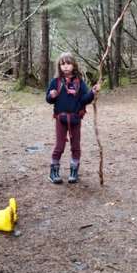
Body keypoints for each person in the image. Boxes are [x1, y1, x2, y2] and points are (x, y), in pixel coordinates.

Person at [46, 52, 100, 184]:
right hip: (61, 119)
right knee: (59, 146)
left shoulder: (79, 83)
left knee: (75, 146)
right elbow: (49, 99)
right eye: (62, 64)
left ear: (74, 65)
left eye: (68, 63)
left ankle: (74, 171)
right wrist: (51, 95)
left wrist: (93, 92)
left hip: (75, 119)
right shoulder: (55, 82)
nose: (65, 67)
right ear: (59, 66)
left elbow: (84, 100)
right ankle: (54, 172)